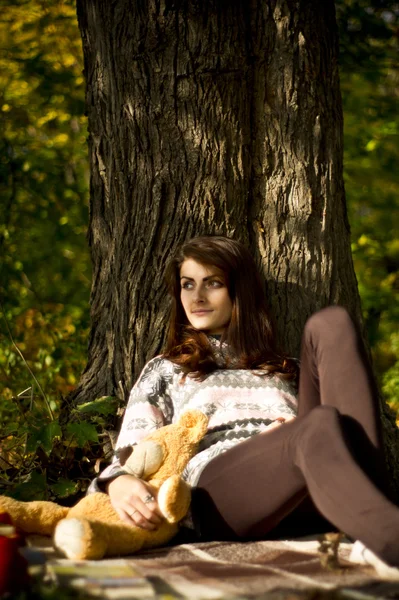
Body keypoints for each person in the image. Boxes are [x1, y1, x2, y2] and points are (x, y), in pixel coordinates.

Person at [88, 235, 399, 567]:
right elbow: (133, 452)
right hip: (219, 496)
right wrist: (117, 481)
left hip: (309, 487)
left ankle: (372, 518)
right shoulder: (167, 369)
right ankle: (387, 537)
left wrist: (290, 433)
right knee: (316, 424)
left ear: (239, 291)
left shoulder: (286, 369)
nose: (197, 297)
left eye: (213, 283)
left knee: (331, 323)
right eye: (187, 285)